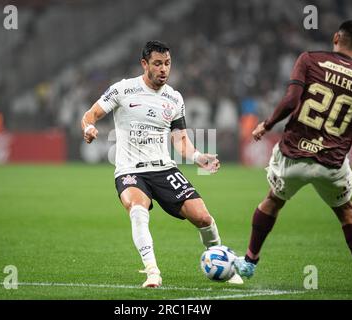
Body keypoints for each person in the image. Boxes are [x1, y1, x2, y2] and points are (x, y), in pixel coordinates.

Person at [235, 20, 352, 296]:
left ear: (335, 37)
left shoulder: (309, 59)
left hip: (293, 155)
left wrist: (266, 125)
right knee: (346, 211)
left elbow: (292, 100)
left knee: (273, 200)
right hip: (331, 162)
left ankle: (249, 262)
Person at [81, 41, 241, 288]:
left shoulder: (174, 98)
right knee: (137, 208)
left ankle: (223, 262)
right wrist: (89, 127)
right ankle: (152, 271)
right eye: (157, 63)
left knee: (203, 218)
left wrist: (199, 158)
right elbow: (90, 114)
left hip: (164, 169)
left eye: (167, 63)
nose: (164, 69)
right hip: (131, 170)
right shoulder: (123, 89)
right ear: (144, 64)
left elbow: (180, 140)